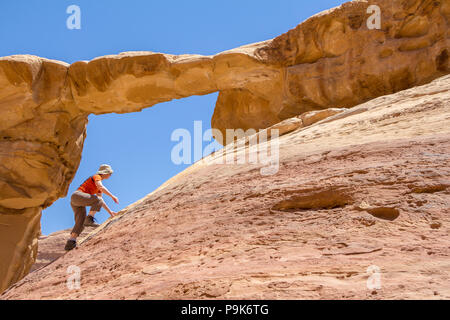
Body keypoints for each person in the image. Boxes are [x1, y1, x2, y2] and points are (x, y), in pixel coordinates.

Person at [64, 164, 119, 251]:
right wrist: (112, 196)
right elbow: (100, 189)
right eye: (110, 173)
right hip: (77, 196)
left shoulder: (98, 187)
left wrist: (110, 212)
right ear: (105, 173)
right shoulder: (97, 176)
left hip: (76, 201)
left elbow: (100, 201)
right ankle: (89, 219)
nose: (110, 175)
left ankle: (70, 242)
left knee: (80, 223)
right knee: (97, 200)